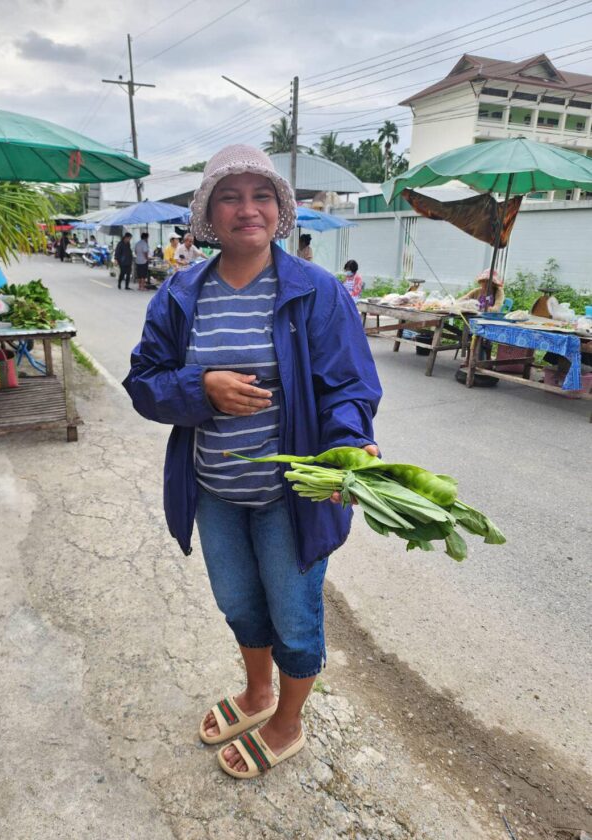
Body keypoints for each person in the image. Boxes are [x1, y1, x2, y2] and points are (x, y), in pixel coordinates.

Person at [123, 145, 381, 780]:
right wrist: (201, 388)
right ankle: (258, 693)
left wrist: (352, 443)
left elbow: (347, 386)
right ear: (209, 213)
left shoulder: (316, 292)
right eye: (230, 197)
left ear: (279, 209)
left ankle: (287, 722)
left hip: (290, 495)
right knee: (238, 603)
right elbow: (144, 382)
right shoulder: (180, 294)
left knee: (295, 617)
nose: (247, 209)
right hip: (212, 488)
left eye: (261, 195)